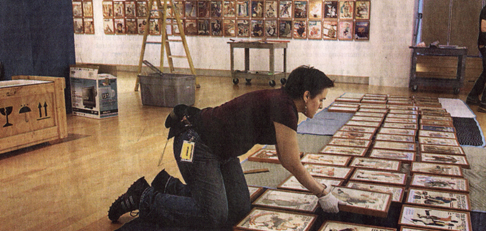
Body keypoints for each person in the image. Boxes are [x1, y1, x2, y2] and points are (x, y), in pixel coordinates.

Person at [108, 66, 342, 229]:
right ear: (306, 95)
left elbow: (285, 157)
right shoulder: (284, 107)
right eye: (321, 99)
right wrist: (321, 192)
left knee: (239, 209)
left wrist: (320, 190)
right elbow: (292, 162)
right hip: (196, 142)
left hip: (222, 152)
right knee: (215, 217)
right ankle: (145, 197)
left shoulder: (284, 104)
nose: (321, 105)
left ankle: (169, 186)